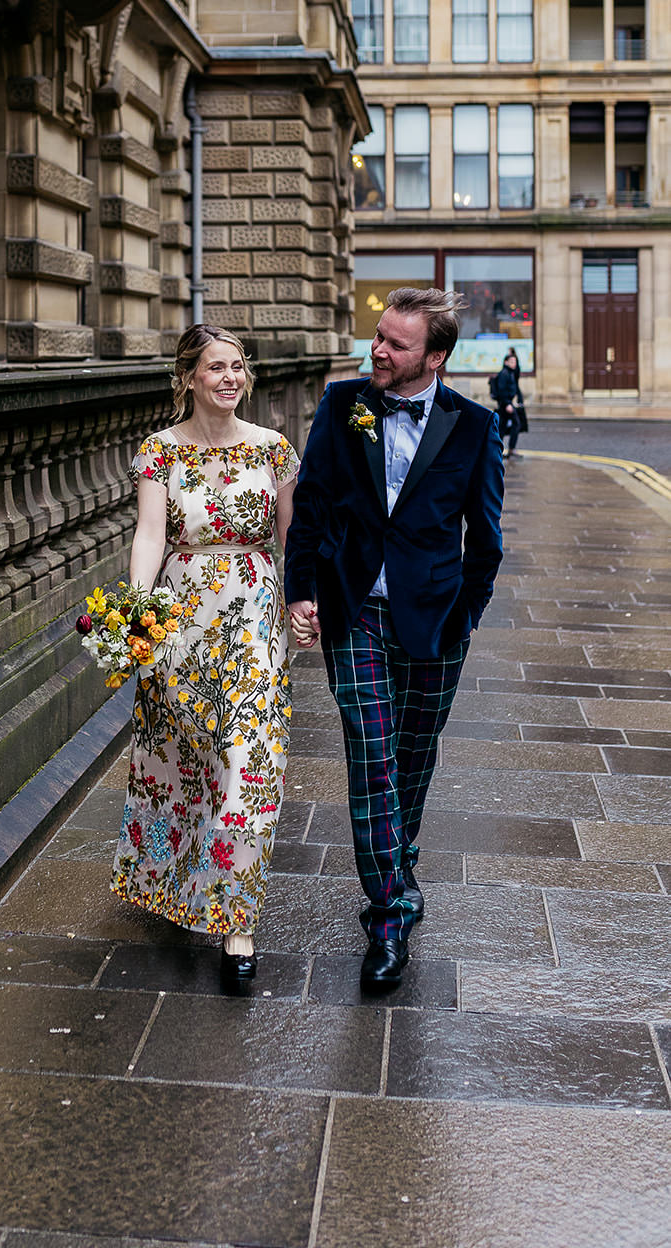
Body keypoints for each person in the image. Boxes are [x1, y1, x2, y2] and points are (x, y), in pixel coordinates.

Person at [284, 287, 503, 992]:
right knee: (371, 756)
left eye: (395, 344)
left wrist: (464, 617)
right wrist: (300, 592)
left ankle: (394, 854)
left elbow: (486, 540)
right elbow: (311, 504)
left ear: (434, 356)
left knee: (411, 756)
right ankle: (388, 909)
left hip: (434, 618)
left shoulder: (473, 425)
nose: (376, 350)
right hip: (355, 612)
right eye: (376, 336)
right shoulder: (341, 404)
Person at [111, 323, 300, 991]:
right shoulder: (160, 452)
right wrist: (138, 616)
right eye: (216, 367)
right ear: (188, 377)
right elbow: (148, 536)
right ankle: (166, 879)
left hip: (251, 620)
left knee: (250, 762)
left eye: (238, 366)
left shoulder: (273, 450)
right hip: (180, 619)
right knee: (178, 763)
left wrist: (301, 605)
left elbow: (291, 540)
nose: (229, 377)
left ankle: (233, 918)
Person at [491, 350, 525, 461]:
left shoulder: (511, 373)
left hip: (507, 404)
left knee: (502, 427)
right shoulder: (504, 374)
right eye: (511, 361)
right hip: (506, 405)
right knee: (516, 423)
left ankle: (498, 451)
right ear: (506, 362)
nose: (514, 363)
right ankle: (511, 449)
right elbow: (502, 390)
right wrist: (507, 404)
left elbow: (515, 385)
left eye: (515, 361)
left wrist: (519, 399)